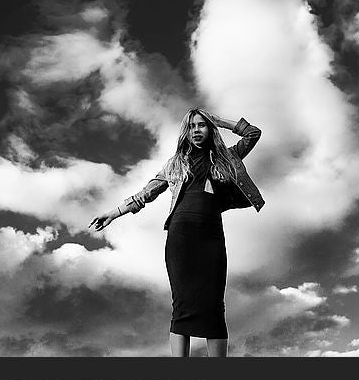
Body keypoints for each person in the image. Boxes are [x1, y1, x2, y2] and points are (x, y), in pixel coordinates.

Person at [89, 107, 264, 357]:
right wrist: (115, 212)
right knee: (181, 304)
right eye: (191, 126)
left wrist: (218, 120)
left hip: (211, 235)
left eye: (201, 125)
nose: (196, 130)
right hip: (181, 235)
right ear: (185, 132)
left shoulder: (227, 157)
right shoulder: (175, 164)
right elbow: (145, 193)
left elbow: (253, 134)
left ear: (210, 128)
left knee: (214, 304)